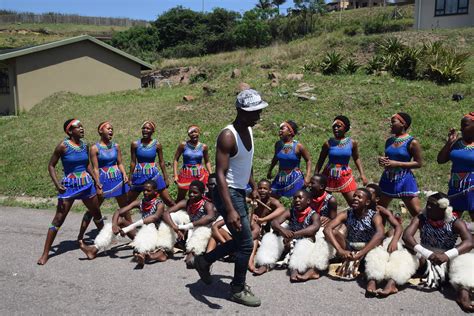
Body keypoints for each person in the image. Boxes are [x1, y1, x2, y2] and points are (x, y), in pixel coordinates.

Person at [193, 89, 268, 307]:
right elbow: (220, 175)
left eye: (259, 111)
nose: (258, 116)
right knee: (246, 244)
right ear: (240, 111)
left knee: (240, 240)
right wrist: (231, 209)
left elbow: (246, 161)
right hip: (227, 193)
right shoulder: (228, 136)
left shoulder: (249, 129)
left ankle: (204, 261)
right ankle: (237, 289)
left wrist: (252, 184)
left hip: (239, 190)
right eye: (253, 112)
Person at [37, 119, 104, 265]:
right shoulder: (63, 146)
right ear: (69, 131)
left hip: (87, 185)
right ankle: (46, 253)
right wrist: (57, 184)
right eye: (77, 127)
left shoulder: (85, 145)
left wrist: (96, 180)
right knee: (58, 219)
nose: (81, 128)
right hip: (69, 187)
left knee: (97, 214)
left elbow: (87, 165)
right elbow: (51, 166)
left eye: (82, 126)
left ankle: (104, 243)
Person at [403, 192, 474, 312]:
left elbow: (469, 242)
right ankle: (394, 281)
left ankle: (463, 294)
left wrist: (447, 255)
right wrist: (427, 253)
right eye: (428, 204)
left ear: (442, 209)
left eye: (432, 205)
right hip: (424, 257)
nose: (428, 207)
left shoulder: (455, 222)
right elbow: (407, 236)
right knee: (404, 251)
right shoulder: (421, 218)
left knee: (465, 259)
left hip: (447, 258)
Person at [79, 180, 168, 268]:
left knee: (149, 226)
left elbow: (154, 218)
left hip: (156, 235)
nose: (145, 192)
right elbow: (119, 211)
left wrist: (131, 227)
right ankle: (94, 249)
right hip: (142, 233)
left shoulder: (159, 204)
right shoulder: (140, 203)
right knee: (120, 220)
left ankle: (143, 253)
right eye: (144, 190)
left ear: (155, 192)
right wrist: (114, 225)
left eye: (148, 190)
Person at [77, 121, 130, 241]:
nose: (111, 130)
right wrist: (98, 183)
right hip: (103, 180)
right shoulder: (95, 148)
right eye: (108, 128)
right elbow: (95, 168)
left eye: (112, 129)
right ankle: (80, 236)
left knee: (125, 208)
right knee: (93, 209)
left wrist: (124, 174)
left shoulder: (116, 146)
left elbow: (120, 163)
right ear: (100, 131)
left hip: (117, 179)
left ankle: (132, 234)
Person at [253, 190, 321, 282]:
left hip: (304, 242)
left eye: (300, 198)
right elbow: (274, 222)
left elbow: (314, 228)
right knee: (271, 237)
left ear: (308, 201)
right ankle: (266, 264)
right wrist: (283, 230)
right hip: (289, 241)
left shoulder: (314, 215)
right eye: (295, 198)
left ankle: (295, 269)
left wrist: (294, 235)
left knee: (303, 244)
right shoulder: (291, 211)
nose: (297, 200)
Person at [364, 183, 416, 297]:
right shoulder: (357, 207)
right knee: (377, 254)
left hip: (379, 240)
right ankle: (372, 280)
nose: (366, 195)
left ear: (377, 199)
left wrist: (393, 241)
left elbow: (398, 226)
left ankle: (391, 282)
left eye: (370, 194)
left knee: (392, 236)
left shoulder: (380, 210)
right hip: (365, 241)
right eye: (365, 192)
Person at [323, 188, 385, 280]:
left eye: (359, 197)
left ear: (367, 202)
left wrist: (361, 253)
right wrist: (340, 250)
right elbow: (327, 229)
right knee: (334, 232)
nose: (355, 198)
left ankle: (362, 266)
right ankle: (344, 257)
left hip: (367, 248)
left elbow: (380, 234)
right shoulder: (347, 213)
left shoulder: (374, 216)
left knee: (376, 250)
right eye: (354, 196)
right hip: (350, 247)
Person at [315, 115, 368, 205]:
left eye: (339, 126)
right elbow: (320, 160)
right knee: (322, 202)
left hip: (344, 174)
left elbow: (356, 158)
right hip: (329, 174)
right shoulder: (328, 143)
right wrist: (315, 176)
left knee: (354, 202)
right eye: (334, 126)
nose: (335, 128)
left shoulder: (352, 143)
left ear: (345, 128)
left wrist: (362, 174)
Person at [162, 180, 216, 268]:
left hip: (201, 229)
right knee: (172, 216)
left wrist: (188, 226)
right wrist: (175, 227)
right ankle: (164, 248)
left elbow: (210, 217)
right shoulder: (186, 202)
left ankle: (193, 254)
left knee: (190, 260)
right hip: (189, 229)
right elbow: (166, 213)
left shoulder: (207, 204)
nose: (191, 195)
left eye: (195, 193)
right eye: (190, 192)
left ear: (202, 193)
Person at [378, 112, 422, 217]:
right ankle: (381, 232)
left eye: (393, 122)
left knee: (416, 212)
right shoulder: (389, 141)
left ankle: (427, 232)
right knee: (379, 209)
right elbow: (388, 160)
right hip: (388, 178)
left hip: (404, 180)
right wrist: (383, 161)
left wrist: (397, 163)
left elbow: (418, 163)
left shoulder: (412, 142)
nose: (391, 125)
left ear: (403, 124)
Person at [437, 112, 474, 229]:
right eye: (461, 125)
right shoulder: (457, 143)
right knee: (450, 221)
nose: (461, 128)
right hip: (455, 188)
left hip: (472, 189)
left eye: (465, 125)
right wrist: (449, 142)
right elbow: (441, 160)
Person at [129, 121, 174, 207]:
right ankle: (125, 219)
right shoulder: (135, 144)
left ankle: (178, 216)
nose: (145, 130)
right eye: (144, 128)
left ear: (153, 131)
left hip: (153, 174)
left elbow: (161, 162)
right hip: (139, 174)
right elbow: (133, 162)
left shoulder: (157, 145)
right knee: (129, 201)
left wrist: (165, 178)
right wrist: (130, 178)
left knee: (168, 200)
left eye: (148, 128)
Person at [248, 179, 285, 272]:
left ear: (270, 191)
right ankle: (250, 260)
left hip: (267, 227)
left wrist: (263, 219)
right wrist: (250, 205)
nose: (262, 190)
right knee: (254, 235)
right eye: (260, 188)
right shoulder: (254, 197)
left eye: (265, 188)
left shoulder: (272, 201)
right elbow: (242, 200)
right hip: (256, 227)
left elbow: (281, 209)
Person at [267, 120, 312, 198]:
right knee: (272, 196)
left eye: (282, 129)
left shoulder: (298, 146)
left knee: (294, 199)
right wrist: (270, 170)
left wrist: (307, 177)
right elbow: (275, 158)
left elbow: (308, 160)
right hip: (281, 176)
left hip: (294, 178)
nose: (280, 131)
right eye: (279, 129)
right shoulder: (278, 144)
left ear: (290, 132)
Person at [173, 125, 212, 202]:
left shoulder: (204, 147)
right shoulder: (183, 145)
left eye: (195, 132)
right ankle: (176, 211)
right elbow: (175, 160)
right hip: (186, 173)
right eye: (191, 132)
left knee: (201, 195)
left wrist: (211, 174)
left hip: (200, 174)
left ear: (199, 133)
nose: (193, 134)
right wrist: (175, 175)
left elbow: (207, 161)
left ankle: (198, 211)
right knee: (181, 196)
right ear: (188, 135)